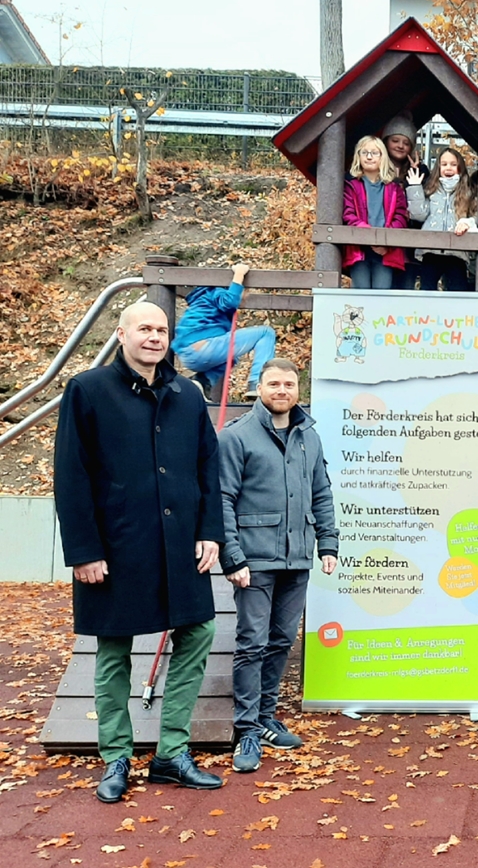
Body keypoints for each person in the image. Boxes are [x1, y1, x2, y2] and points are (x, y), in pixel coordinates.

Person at [54, 302, 224, 803]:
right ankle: (116, 758)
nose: (154, 337)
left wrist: (209, 530)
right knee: (112, 650)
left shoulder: (187, 394)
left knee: (200, 630)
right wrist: (83, 550)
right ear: (122, 333)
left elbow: (206, 468)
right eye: (145, 328)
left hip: (179, 544)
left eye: (162, 330)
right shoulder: (87, 390)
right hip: (115, 547)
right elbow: (71, 474)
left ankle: (171, 754)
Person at [218, 358, 340, 773]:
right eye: (274, 383)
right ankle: (246, 730)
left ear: (298, 390)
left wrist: (329, 543)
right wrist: (232, 556)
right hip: (253, 559)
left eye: (289, 384)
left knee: (282, 639)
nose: (282, 390)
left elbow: (321, 492)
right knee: (252, 642)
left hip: (298, 557)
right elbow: (222, 500)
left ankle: (266, 717)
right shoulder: (235, 438)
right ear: (259, 387)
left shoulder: (309, 436)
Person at [172, 262, 276, 402]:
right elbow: (230, 301)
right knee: (266, 333)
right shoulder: (215, 290)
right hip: (202, 345)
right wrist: (239, 274)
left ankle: (201, 382)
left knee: (231, 357)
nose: (245, 295)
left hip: (187, 353)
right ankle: (257, 382)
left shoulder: (202, 299)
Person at [342, 135, 409, 290]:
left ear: (382, 157)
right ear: (358, 156)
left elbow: (401, 216)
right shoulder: (350, 185)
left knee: (382, 292)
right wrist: (369, 237)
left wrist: (385, 241)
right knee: (360, 292)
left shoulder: (394, 187)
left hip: (385, 250)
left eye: (374, 153)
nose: (369, 157)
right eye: (365, 152)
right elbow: (348, 214)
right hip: (359, 248)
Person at [407, 147, 478, 292]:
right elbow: (418, 214)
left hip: (457, 252)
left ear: (460, 167)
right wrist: (415, 187)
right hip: (431, 251)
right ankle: (427, 315)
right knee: (427, 290)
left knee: (457, 291)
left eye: (453, 164)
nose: (448, 168)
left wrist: (467, 223)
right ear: (438, 167)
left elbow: (477, 215)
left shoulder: (468, 191)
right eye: (444, 164)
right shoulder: (431, 189)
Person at [381, 112, 430, 290]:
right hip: (380, 242)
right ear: (386, 141)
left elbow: (424, 207)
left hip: (409, 248)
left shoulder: (422, 171)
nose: (400, 146)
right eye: (395, 140)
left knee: (404, 291)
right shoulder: (373, 167)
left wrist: (415, 179)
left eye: (406, 143)